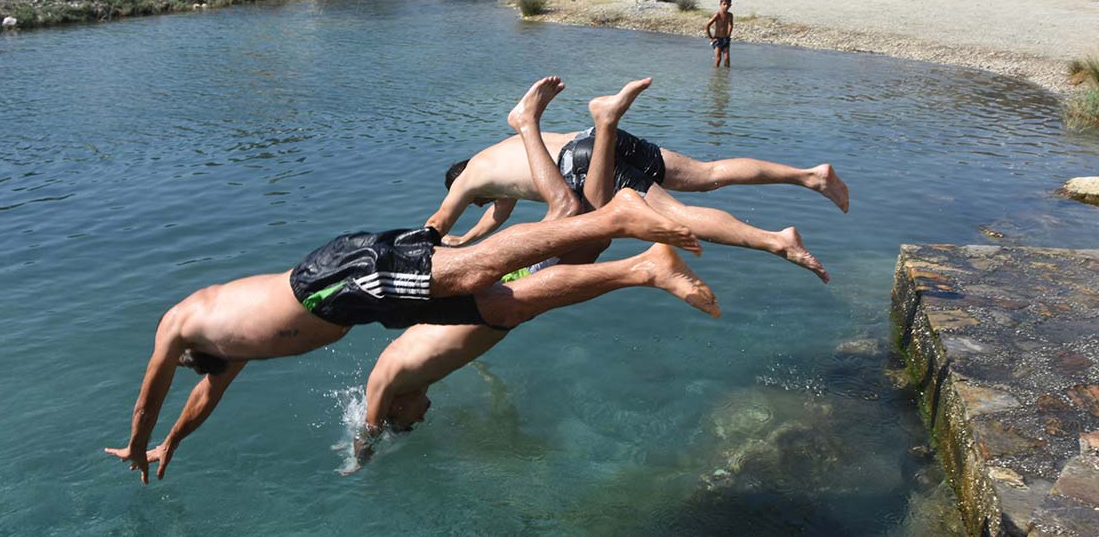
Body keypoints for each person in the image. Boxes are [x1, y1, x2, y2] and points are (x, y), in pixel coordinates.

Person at [103, 191, 716, 484]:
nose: (204, 373)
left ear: (189, 353)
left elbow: (148, 395)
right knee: (498, 309)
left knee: (477, 269)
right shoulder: (225, 350)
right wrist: (172, 445)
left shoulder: (181, 321)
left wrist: (137, 441)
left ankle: (613, 216)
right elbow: (202, 397)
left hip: (330, 281)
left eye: (192, 366)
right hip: (359, 307)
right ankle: (645, 269)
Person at [352, 75, 655, 469]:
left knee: (568, 214)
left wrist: (359, 461)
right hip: (496, 305)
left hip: (493, 298)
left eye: (410, 422)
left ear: (395, 409)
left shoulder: (388, 380)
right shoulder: (415, 382)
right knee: (592, 237)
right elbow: (442, 344)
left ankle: (528, 122)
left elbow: (369, 427)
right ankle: (605, 125)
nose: (422, 417)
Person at [428, 80, 848, 283]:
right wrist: (464, 244)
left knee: (676, 217)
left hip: (584, 163)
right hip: (589, 143)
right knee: (708, 173)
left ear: (462, 185)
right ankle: (810, 176)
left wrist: (425, 249)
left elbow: (438, 221)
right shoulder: (495, 163)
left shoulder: (466, 183)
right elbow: (492, 224)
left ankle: (777, 240)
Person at [705, 0, 734, 67]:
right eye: (724, 4)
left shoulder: (730, 15)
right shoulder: (717, 15)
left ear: (730, 5)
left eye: (728, 4)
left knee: (727, 58)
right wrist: (711, 38)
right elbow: (707, 25)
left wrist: (729, 34)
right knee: (718, 59)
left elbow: (731, 24)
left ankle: (726, 75)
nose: (726, 6)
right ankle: (716, 75)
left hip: (725, 39)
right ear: (720, 4)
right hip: (717, 39)